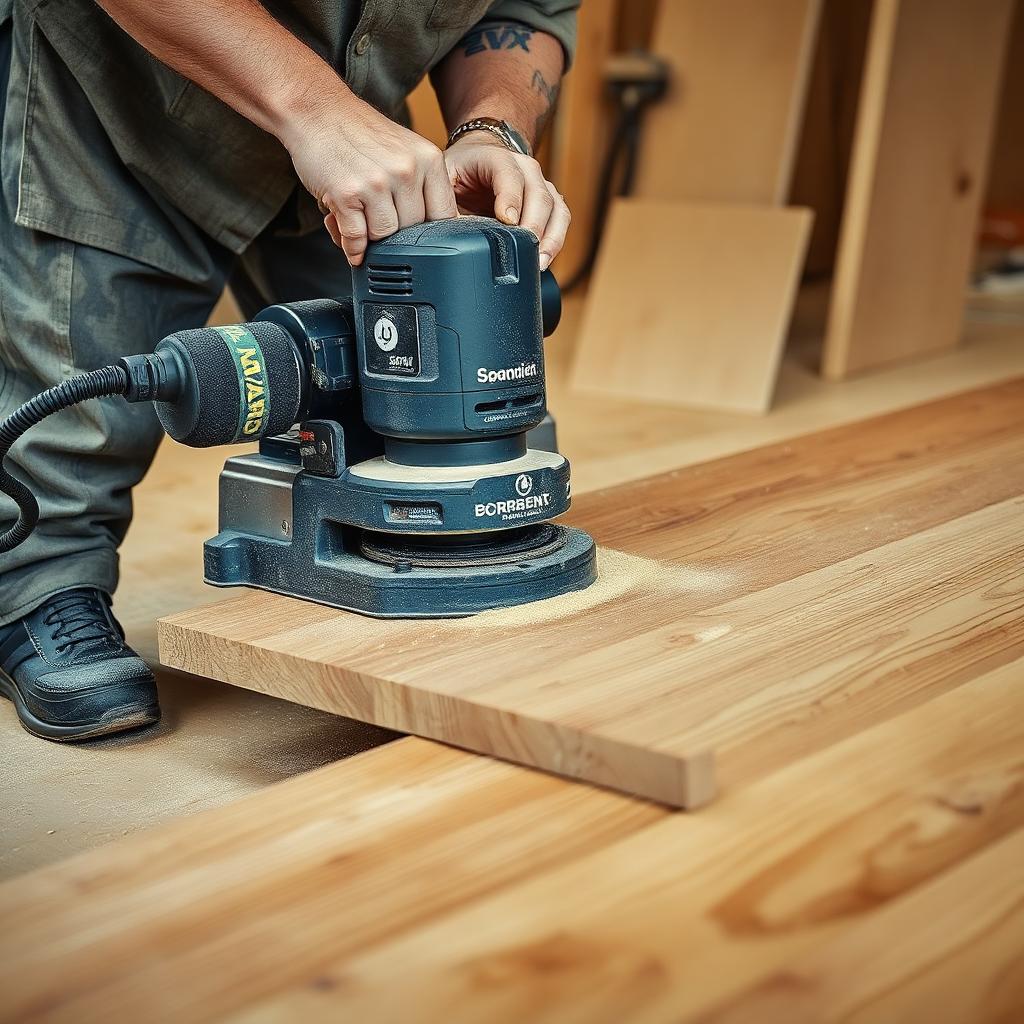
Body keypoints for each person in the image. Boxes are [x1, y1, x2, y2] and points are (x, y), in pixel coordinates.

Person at [0, 0, 576, 741]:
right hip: (120, 116)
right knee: (65, 447)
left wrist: (489, 127)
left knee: (400, 401)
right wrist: (313, 110)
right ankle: (37, 588)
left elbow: (523, 8)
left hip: (362, 132)